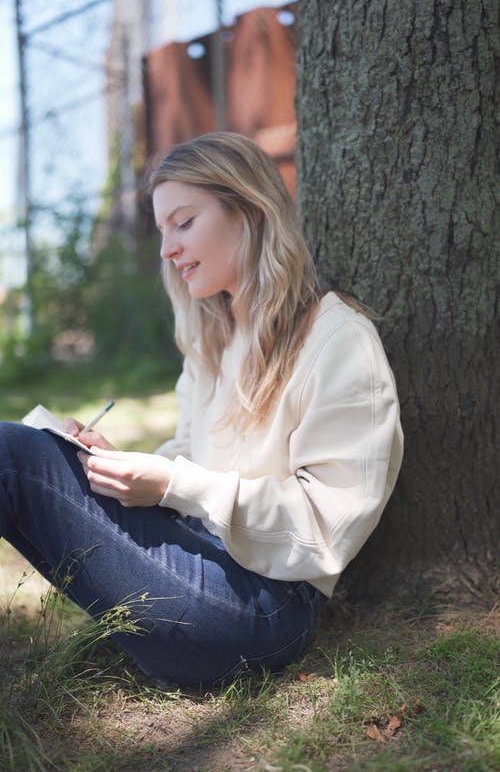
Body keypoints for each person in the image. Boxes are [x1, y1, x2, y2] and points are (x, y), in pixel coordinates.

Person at [0, 132, 403, 686]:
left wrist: (173, 485)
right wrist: (124, 469)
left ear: (250, 211)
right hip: (204, 561)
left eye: (184, 223)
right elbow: (188, 454)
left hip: (268, 605)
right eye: (163, 229)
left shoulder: (337, 342)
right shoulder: (214, 336)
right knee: (44, 453)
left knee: (13, 457)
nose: (167, 249)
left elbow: (326, 530)